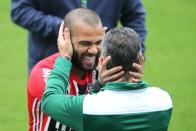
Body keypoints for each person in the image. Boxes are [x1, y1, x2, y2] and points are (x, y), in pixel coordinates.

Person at [28, 8, 143, 131]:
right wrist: (100, 86)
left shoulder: (105, 68)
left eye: (98, 42)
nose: (93, 50)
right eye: (85, 43)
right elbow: (80, 115)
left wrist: (132, 85)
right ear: (65, 40)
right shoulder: (44, 73)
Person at [41, 26, 173, 131]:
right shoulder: (163, 100)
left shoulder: (89, 107)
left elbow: (49, 100)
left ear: (101, 60)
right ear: (140, 61)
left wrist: (65, 57)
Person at [11, 0, 147, 72]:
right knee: (53, 122)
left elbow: (134, 16)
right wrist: (67, 29)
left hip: (104, 65)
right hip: (52, 65)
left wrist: (134, 54)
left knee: (100, 121)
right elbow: (20, 10)